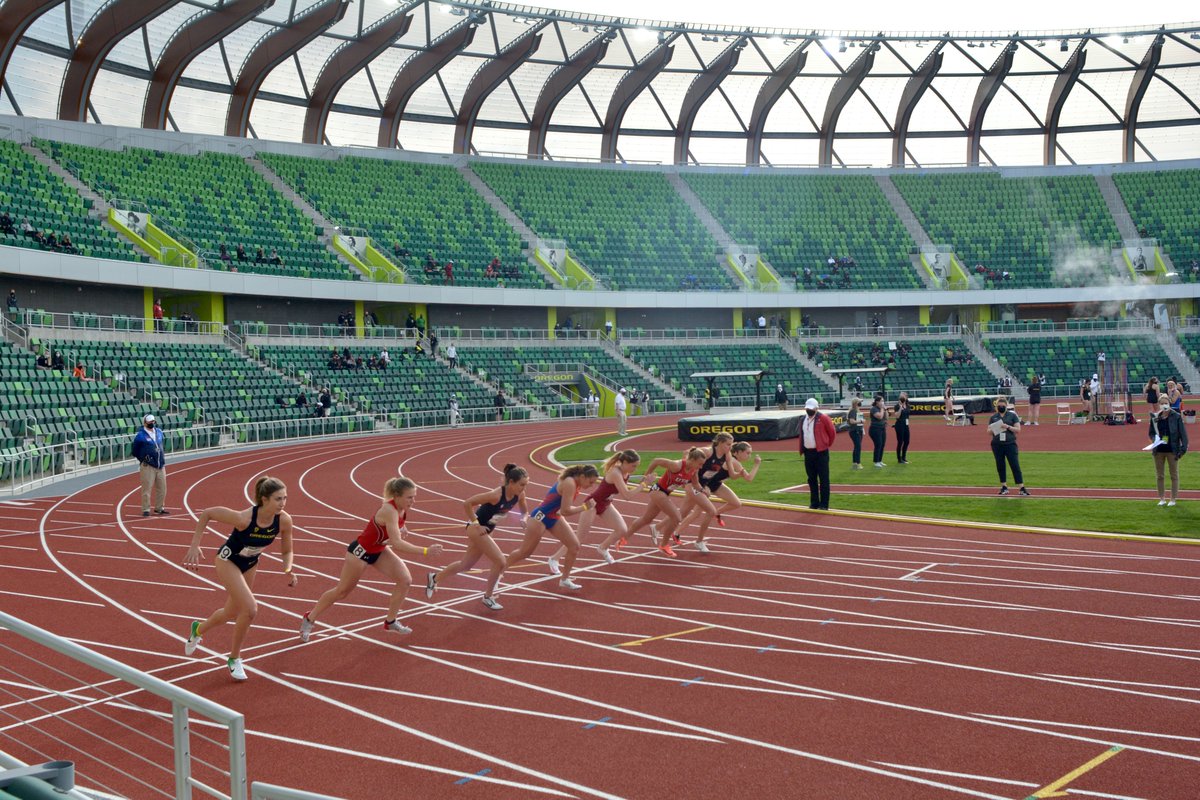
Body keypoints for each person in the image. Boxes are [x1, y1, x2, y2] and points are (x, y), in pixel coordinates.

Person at [300, 477, 441, 642]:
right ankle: (310, 618)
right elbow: (397, 544)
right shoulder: (389, 510)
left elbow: (392, 527)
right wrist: (425, 551)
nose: (413, 501)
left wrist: (401, 527)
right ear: (397, 496)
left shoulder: (401, 509)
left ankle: (391, 622)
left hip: (379, 550)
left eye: (414, 496)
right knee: (342, 591)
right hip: (360, 553)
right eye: (409, 497)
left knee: (405, 580)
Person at [183, 476, 296, 681]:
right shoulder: (244, 518)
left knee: (231, 613)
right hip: (228, 561)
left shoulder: (284, 520)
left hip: (250, 563)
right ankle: (234, 658)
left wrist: (288, 568)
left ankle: (197, 629)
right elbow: (208, 513)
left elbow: (287, 550)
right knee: (250, 609)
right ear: (264, 499)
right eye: (278, 499)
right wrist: (194, 545)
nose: (283, 503)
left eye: (285, 498)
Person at [485, 465, 599, 599]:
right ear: (582, 476)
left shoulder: (576, 483)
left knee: (574, 546)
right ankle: (498, 573)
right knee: (524, 552)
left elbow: (561, 509)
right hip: (540, 517)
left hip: (553, 517)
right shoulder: (570, 483)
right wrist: (584, 507)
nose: (591, 486)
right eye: (590, 482)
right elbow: (565, 510)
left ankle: (564, 579)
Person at [427, 464, 530, 610]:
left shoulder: (520, 494)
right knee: (500, 561)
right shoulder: (495, 495)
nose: (524, 488)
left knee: (465, 565)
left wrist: (523, 519)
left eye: (526, 485)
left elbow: (525, 511)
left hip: (488, 529)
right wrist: (477, 524)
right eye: (522, 484)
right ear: (511, 482)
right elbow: (467, 503)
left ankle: (434, 578)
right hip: (476, 529)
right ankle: (488, 597)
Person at [600, 449, 706, 559]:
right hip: (658, 491)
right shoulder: (677, 465)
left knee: (646, 519)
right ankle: (664, 545)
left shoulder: (694, 470)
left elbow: (696, 484)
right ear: (692, 460)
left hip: (665, 493)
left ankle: (624, 537)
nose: (701, 467)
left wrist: (703, 490)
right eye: (700, 464)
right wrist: (646, 476)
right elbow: (656, 461)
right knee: (676, 517)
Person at [676, 436, 761, 554]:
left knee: (736, 503)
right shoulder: (733, 461)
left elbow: (733, 476)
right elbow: (749, 478)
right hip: (706, 485)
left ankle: (714, 514)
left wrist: (739, 474)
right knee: (694, 512)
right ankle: (679, 533)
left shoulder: (729, 457)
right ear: (738, 452)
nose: (749, 456)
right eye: (747, 453)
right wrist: (757, 464)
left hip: (715, 484)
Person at [988, 397, 1030, 496]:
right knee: (1000, 465)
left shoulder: (1012, 416)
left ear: (1006, 406)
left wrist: (1007, 427)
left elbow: (1018, 430)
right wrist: (996, 428)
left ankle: (1021, 487)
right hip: (997, 444)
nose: (1001, 407)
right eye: (999, 406)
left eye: (1003, 406)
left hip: (1010, 444)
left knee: (1015, 465)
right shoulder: (993, 417)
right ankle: (1004, 486)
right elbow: (988, 431)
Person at [799, 398, 836, 510]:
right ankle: (814, 502)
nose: (809, 410)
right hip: (808, 452)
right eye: (807, 408)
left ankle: (824, 504)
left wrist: (825, 444)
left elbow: (832, 433)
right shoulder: (803, 419)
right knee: (811, 479)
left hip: (821, 453)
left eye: (811, 409)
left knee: (824, 479)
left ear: (816, 408)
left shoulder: (823, 418)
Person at [1149, 400, 1188, 507]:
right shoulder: (1155, 417)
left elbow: (1183, 434)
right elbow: (1151, 432)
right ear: (1159, 405)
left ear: (1169, 404)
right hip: (1159, 450)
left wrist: (1182, 450)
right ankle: (1162, 498)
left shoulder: (1176, 416)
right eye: (1162, 403)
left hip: (1172, 450)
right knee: (1160, 476)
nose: (1164, 405)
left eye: (1166, 403)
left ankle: (1173, 499)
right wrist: (1155, 439)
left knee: (1174, 475)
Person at [132, 414, 168, 516]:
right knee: (147, 488)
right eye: (150, 422)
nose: (152, 423)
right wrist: (143, 458)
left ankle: (159, 507)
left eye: (153, 421)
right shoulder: (140, 436)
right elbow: (135, 451)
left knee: (162, 488)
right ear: (145, 423)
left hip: (160, 465)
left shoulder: (159, 432)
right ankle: (146, 509)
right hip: (148, 466)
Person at [868, 394, 888, 468]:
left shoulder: (881, 409)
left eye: (883, 401)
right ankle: (876, 461)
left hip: (882, 428)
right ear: (877, 402)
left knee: (882, 444)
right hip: (875, 429)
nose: (883, 402)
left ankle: (880, 460)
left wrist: (885, 410)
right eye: (881, 401)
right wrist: (882, 409)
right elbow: (879, 417)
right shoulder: (874, 409)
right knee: (878, 444)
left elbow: (886, 417)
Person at [893, 392, 912, 464]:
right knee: (900, 442)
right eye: (901, 396)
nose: (902, 398)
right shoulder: (897, 406)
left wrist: (904, 406)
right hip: (899, 425)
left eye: (904, 396)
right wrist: (901, 407)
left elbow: (907, 414)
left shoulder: (908, 405)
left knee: (907, 441)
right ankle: (899, 459)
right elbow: (897, 416)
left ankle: (904, 457)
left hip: (906, 425)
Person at [846, 397, 865, 470]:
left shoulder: (857, 410)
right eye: (859, 402)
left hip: (858, 430)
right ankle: (858, 463)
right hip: (855, 431)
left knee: (857, 447)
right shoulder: (853, 411)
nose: (860, 403)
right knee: (858, 447)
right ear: (856, 403)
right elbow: (852, 421)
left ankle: (854, 463)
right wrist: (861, 421)